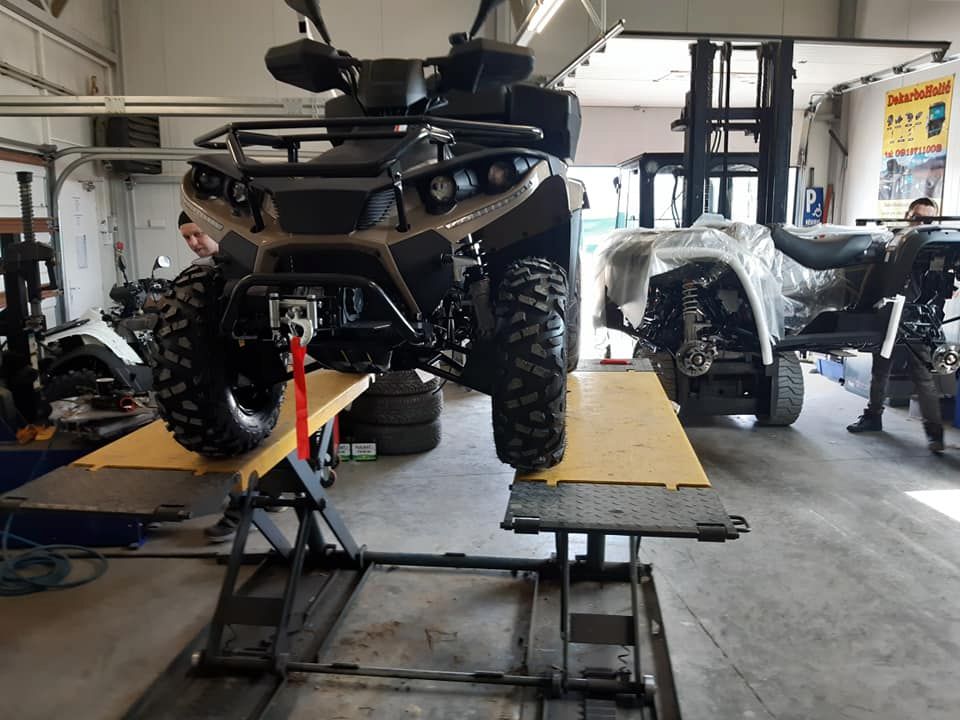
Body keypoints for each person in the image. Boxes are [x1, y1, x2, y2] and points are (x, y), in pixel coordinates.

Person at [846, 197, 945, 454]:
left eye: (927, 219)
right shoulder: (893, 242)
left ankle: (935, 435)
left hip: (916, 321)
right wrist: (861, 308)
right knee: (880, 370)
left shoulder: (937, 247)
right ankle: (873, 416)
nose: (921, 223)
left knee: (923, 376)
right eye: (917, 218)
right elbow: (872, 277)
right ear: (908, 216)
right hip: (888, 316)